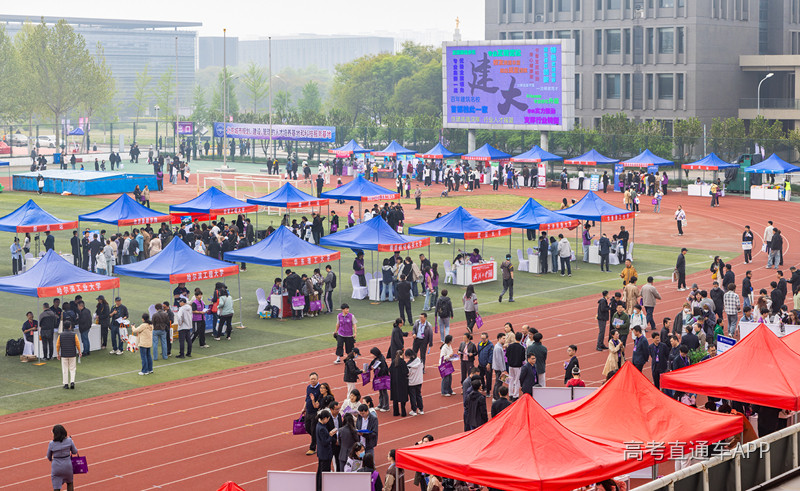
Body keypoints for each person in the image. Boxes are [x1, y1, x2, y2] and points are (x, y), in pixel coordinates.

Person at [47, 424, 79, 491]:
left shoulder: (51, 444)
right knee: (70, 483)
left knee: (56, 487)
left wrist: (52, 460)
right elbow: (74, 451)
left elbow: (48, 456)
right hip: (67, 465)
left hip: (56, 466)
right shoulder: (69, 441)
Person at [315, 409, 337, 491]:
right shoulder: (322, 428)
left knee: (320, 471)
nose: (328, 421)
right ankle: (322, 487)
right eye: (328, 419)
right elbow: (325, 442)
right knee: (324, 473)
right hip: (325, 454)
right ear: (325, 418)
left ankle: (318, 487)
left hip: (322, 453)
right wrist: (330, 435)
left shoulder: (319, 425)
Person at [56, 321, 81, 389]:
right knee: (72, 369)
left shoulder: (60, 335)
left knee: (65, 369)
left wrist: (58, 353)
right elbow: (77, 344)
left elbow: (58, 345)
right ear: (70, 326)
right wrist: (79, 351)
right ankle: (72, 382)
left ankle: (66, 384)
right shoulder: (74, 334)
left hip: (64, 354)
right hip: (72, 354)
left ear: (64, 327)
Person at [506, 332, 526, 400]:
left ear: (515, 338)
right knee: (517, 381)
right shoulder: (522, 348)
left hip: (510, 366)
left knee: (511, 380)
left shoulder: (510, 346)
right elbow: (523, 358)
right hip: (518, 366)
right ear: (521, 339)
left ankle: (510, 394)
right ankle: (515, 395)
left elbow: (506, 355)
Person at [390, 350, 409, 417]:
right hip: (402, 382)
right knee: (402, 397)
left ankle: (396, 412)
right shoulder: (403, 362)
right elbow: (406, 372)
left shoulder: (393, 362)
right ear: (402, 354)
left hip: (394, 382)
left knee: (395, 398)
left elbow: (390, 371)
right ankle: (403, 412)